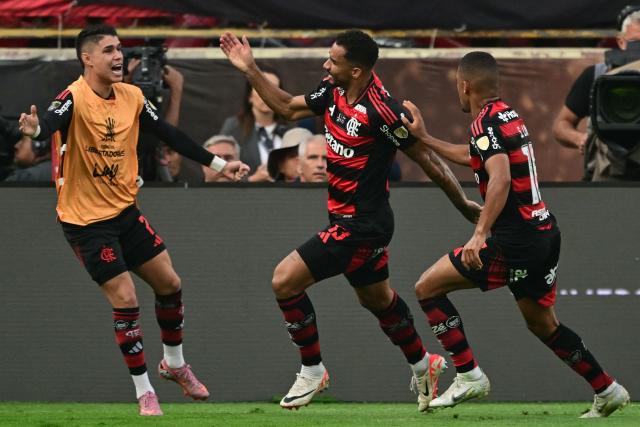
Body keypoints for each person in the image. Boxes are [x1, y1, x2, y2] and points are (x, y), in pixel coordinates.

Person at [220, 29, 481, 410]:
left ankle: (313, 370)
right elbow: (288, 108)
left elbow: (426, 158)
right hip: (349, 222)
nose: (326, 64)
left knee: (284, 280)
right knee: (378, 301)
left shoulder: (384, 110)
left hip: (361, 227)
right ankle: (425, 364)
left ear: (356, 70)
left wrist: (461, 203)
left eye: (334, 60)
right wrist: (250, 69)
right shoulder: (332, 91)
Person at [18, 24, 249, 416]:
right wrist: (37, 129)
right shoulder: (72, 98)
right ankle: (145, 392)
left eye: (119, 48)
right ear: (87, 58)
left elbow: (170, 134)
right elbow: (50, 123)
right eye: (108, 50)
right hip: (85, 221)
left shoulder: (133, 96)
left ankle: (174, 365)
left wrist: (220, 164)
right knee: (125, 298)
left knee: (170, 283)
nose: (118, 56)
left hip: (124, 212)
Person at [401, 51, 630, 418]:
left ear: (465, 85)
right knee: (543, 324)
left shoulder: (483, 123)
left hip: (515, 240)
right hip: (544, 233)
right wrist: (426, 138)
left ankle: (468, 374)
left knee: (427, 288)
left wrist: (480, 234)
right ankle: (607, 388)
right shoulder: (507, 115)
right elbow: (474, 156)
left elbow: (501, 178)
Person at [552, 5, 640, 180]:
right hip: (608, 175)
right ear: (621, 42)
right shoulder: (597, 76)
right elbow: (560, 125)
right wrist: (581, 139)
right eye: (635, 44)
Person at [220, 66, 288, 181]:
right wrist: (252, 180)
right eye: (260, 88)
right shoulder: (233, 127)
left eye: (274, 88)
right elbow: (222, 174)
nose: (267, 94)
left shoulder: (290, 129)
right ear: (250, 96)